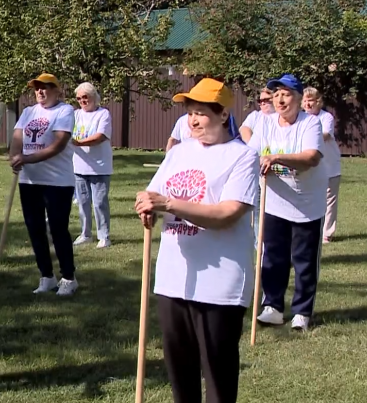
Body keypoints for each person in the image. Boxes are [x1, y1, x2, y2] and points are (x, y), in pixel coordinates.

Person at [135, 78, 258, 403]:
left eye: (201, 113)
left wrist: (169, 205)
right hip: (174, 278)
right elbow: (153, 192)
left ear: (221, 115)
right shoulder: (180, 152)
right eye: (190, 113)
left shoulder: (242, 157)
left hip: (219, 284)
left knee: (217, 371)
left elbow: (228, 213)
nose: (193, 120)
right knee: (180, 370)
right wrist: (145, 204)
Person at [246, 74, 328, 332]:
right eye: (276, 94)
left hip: (307, 204)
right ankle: (272, 306)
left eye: (286, 94)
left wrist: (278, 159)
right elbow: (251, 153)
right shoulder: (265, 123)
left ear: (299, 98)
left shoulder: (310, 124)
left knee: (304, 261)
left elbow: (311, 158)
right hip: (274, 202)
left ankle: (302, 312)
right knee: (273, 258)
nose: (280, 99)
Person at [9, 73, 78, 296]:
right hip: (29, 180)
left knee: (58, 229)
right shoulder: (29, 112)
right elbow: (18, 138)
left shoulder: (65, 111)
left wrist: (27, 158)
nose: (40, 91)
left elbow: (58, 144)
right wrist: (15, 157)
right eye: (37, 88)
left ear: (57, 90)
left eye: (46, 87)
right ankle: (46, 276)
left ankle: (68, 277)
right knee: (35, 228)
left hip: (57, 181)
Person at [71, 82, 113, 248]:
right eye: (79, 98)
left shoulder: (103, 114)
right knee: (82, 202)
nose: (82, 101)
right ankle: (85, 234)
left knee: (99, 203)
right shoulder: (75, 115)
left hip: (99, 167)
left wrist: (77, 142)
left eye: (85, 97)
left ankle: (104, 236)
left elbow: (100, 136)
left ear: (94, 97)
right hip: (78, 167)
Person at [302, 87, 341, 244]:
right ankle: (309, 230)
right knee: (310, 198)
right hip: (310, 167)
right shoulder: (301, 118)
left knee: (329, 200)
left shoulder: (326, 117)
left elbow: (324, 135)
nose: (307, 104)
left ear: (318, 102)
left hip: (330, 167)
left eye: (310, 100)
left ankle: (327, 233)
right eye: (305, 100)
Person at [240, 87, 277, 249]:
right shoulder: (255, 117)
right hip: (258, 169)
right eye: (260, 101)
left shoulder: (281, 119)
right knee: (257, 208)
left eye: (266, 100)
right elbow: (244, 129)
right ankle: (259, 244)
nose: (263, 104)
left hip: (278, 172)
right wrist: (253, 149)